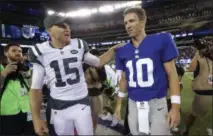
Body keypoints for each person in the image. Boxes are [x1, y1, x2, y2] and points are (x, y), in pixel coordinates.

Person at [29, 15, 121, 136]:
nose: (67, 29)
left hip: (81, 104)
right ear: (49, 30)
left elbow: (98, 62)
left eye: (68, 26)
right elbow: (36, 89)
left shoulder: (78, 45)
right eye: (62, 26)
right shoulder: (40, 51)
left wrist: (112, 50)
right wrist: (36, 119)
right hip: (58, 106)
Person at [114, 7, 181, 135]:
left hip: (157, 104)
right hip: (133, 105)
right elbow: (123, 80)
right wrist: (118, 105)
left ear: (143, 21)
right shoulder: (122, 51)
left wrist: (175, 107)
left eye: (132, 21)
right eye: (126, 23)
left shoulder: (161, 40)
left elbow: (172, 74)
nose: (128, 25)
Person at [0, 44, 35, 135]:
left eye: (19, 51)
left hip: (27, 110)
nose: (18, 53)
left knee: (30, 133)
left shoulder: (25, 68)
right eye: (14, 51)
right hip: (8, 112)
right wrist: (4, 73)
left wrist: (27, 74)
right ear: (6, 53)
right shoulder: (1, 67)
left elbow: (32, 87)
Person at [183, 38, 213, 136]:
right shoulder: (200, 59)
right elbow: (191, 68)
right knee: (194, 114)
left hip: (208, 92)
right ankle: (186, 130)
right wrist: (197, 52)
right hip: (203, 94)